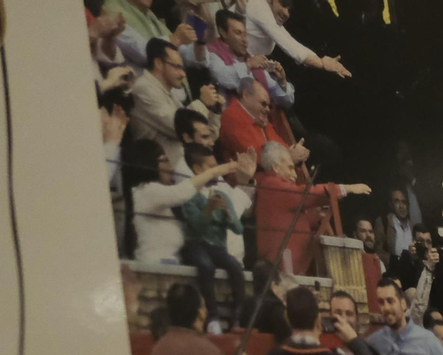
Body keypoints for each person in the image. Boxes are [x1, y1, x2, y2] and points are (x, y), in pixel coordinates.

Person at [253, 142, 370, 276]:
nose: (295, 175)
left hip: (289, 261)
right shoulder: (272, 185)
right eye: (290, 168)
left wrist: (318, 215)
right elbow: (306, 195)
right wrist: (346, 188)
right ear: (276, 167)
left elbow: (293, 218)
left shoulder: (273, 186)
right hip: (283, 264)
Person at [124, 137, 240, 263]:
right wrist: (215, 171)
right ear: (147, 163)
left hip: (170, 263)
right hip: (154, 265)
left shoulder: (158, 195)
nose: (171, 167)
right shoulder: (145, 191)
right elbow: (181, 193)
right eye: (165, 160)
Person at [179, 144, 256, 328]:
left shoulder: (222, 193)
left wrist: (229, 214)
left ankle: (238, 319)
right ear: (197, 169)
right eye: (212, 167)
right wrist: (209, 209)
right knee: (205, 266)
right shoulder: (190, 194)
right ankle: (212, 317)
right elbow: (195, 229)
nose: (218, 172)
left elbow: (238, 229)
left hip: (217, 248)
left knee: (236, 267)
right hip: (197, 245)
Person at [206, 10, 296, 110]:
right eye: (238, 33)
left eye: (245, 34)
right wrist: (248, 65)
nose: (244, 40)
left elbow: (286, 102)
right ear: (223, 33)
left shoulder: (251, 59)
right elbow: (224, 78)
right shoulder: (213, 53)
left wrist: (282, 81)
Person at [243, 0, 352, 78]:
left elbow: (289, 39)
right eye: (283, 4)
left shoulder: (273, 19)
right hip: (233, 60)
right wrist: (321, 63)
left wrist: (320, 59)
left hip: (248, 65)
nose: (286, 13)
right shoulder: (258, 6)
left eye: (289, 10)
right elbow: (288, 44)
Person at [130, 39, 191, 166]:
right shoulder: (144, 88)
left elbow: (201, 132)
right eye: (177, 67)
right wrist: (203, 104)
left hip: (180, 164)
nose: (183, 74)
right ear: (159, 63)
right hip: (161, 170)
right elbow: (180, 127)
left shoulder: (168, 93)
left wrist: (213, 111)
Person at [219, 78, 305, 163]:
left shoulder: (261, 119)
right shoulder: (231, 116)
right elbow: (253, 155)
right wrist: (288, 156)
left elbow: (280, 146)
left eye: (269, 106)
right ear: (246, 96)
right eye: (263, 104)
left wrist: (295, 152)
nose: (267, 109)